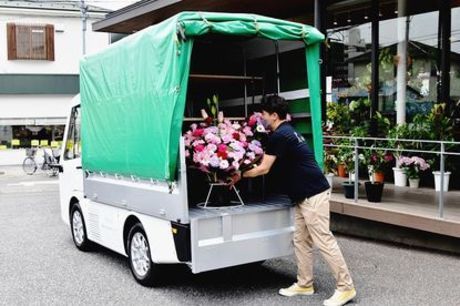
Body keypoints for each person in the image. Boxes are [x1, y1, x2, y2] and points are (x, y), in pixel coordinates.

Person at [229, 95, 356, 306]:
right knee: (301, 240)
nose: (261, 118)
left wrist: (240, 174)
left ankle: (346, 287)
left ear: (274, 115)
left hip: (313, 194)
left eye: (263, 115)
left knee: (324, 241)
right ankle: (305, 284)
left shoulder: (281, 135)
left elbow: (264, 168)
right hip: (302, 196)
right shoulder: (287, 131)